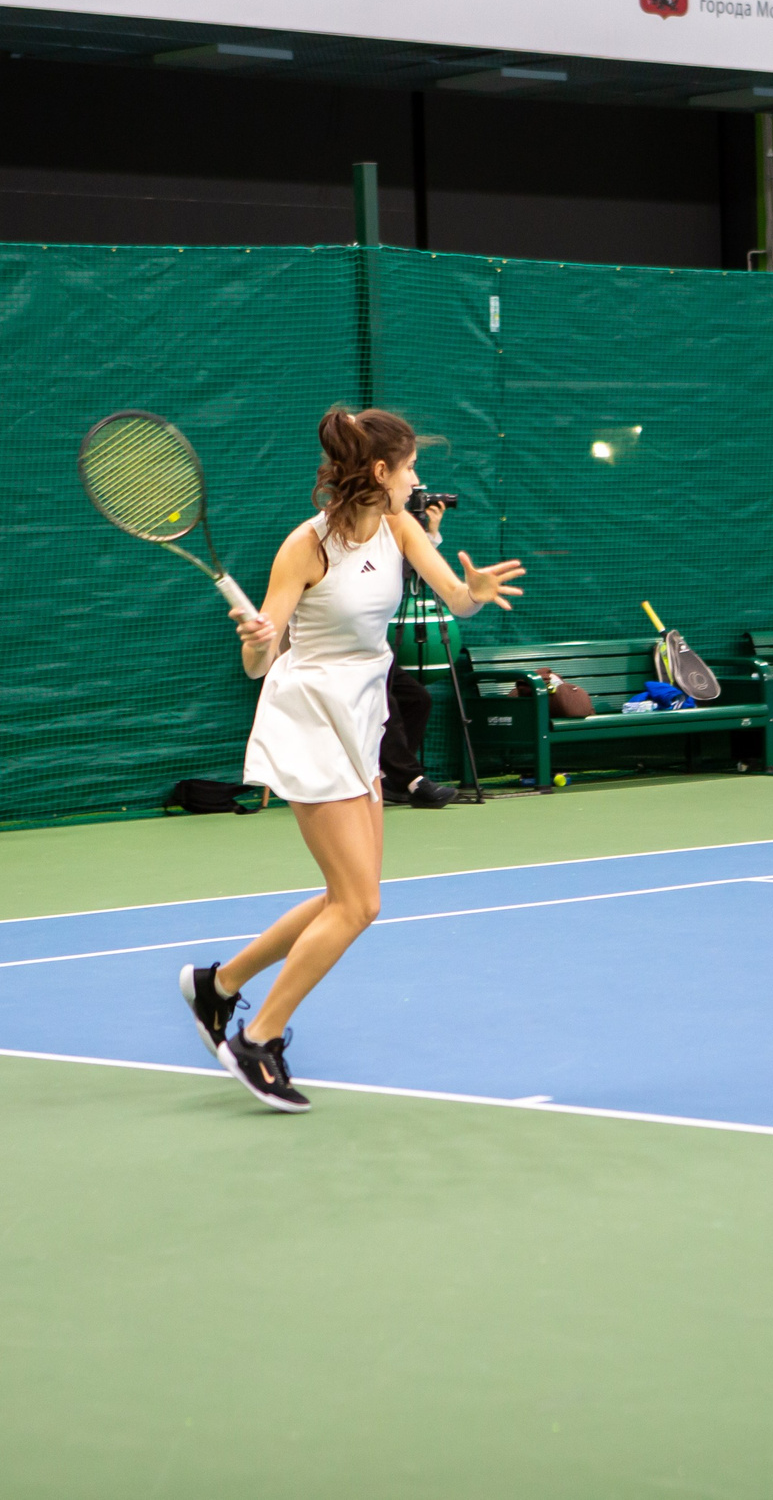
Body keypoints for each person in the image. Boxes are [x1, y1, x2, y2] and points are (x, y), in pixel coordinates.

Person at [181, 408, 525, 1112]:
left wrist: (475, 592)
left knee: (350, 895)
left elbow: (455, 597)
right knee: (360, 901)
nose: (418, 477)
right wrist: (256, 634)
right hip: (309, 717)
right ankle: (257, 1038)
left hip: (362, 715)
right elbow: (258, 663)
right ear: (379, 471)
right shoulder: (304, 548)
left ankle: (217, 986)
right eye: (408, 467)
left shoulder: (400, 527)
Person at [384, 492, 458, 810]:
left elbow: (415, 566)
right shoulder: (367, 528)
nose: (415, 484)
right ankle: (413, 781)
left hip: (373, 650)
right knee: (385, 710)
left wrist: (429, 533)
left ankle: (396, 781)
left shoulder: (400, 527)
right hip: (334, 659)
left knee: (418, 699)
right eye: (409, 469)